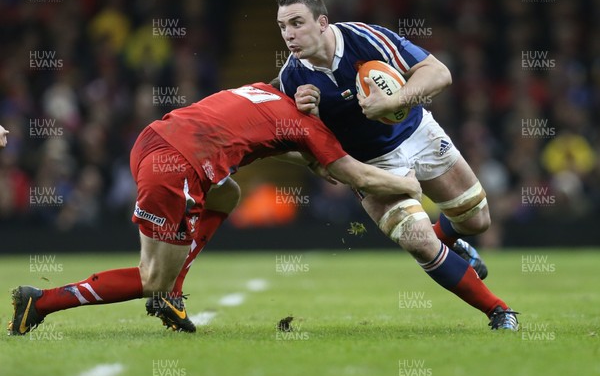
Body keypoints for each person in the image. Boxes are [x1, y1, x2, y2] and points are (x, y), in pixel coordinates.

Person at [8, 81, 422, 335]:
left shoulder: (263, 92)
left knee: (227, 194)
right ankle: (42, 301)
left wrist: (315, 161)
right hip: (178, 170)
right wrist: (408, 184)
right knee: (153, 279)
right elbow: (359, 176)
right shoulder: (313, 127)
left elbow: (264, 139)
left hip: (153, 142)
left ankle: (172, 296)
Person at [274, 0, 518, 330]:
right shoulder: (290, 79)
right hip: (371, 165)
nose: (289, 34)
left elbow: (439, 73)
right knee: (418, 242)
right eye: (283, 26)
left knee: (477, 221)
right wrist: (315, 152)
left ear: (322, 22)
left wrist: (396, 100)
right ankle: (500, 311)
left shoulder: (366, 38)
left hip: (419, 133)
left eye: (297, 23)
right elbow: (278, 140)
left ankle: (449, 242)